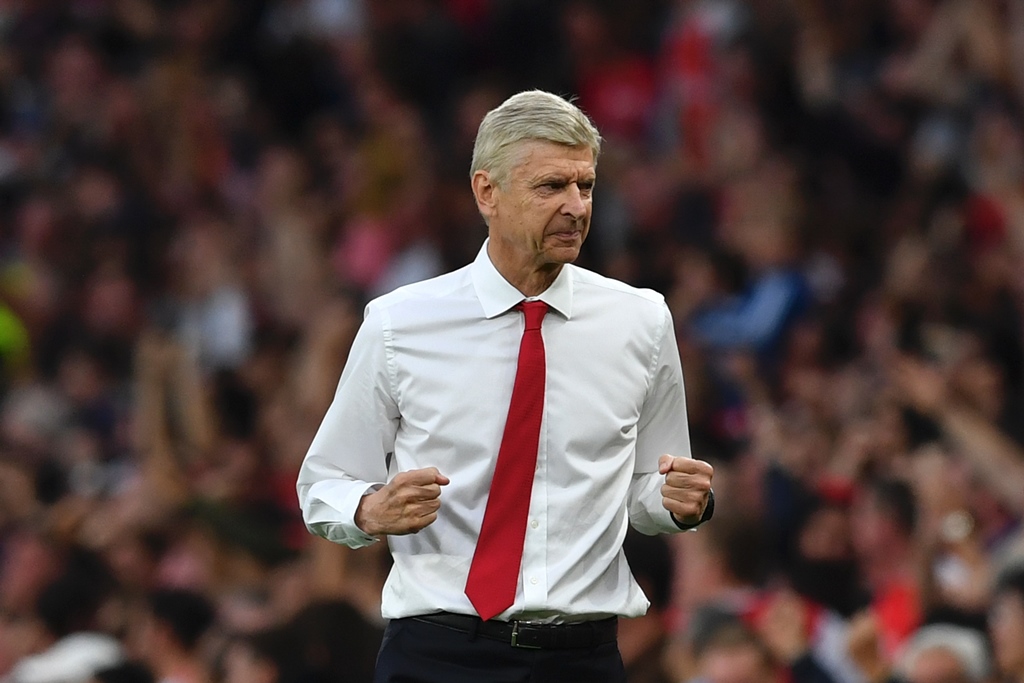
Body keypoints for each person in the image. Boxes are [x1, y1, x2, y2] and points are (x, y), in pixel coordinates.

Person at [296, 89, 714, 683]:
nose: (576, 206)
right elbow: (323, 484)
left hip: (583, 658)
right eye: (552, 187)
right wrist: (370, 509)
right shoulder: (399, 322)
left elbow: (648, 492)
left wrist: (680, 505)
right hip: (438, 653)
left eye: (586, 186)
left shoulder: (641, 321)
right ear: (486, 192)